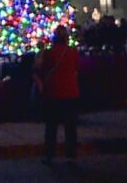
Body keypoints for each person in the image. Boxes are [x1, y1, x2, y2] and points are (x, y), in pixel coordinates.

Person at [35, 25, 80, 166]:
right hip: (70, 92)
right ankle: (71, 154)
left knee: (51, 125)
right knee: (70, 126)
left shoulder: (50, 53)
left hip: (54, 92)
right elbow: (77, 68)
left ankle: (49, 154)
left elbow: (41, 68)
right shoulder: (73, 52)